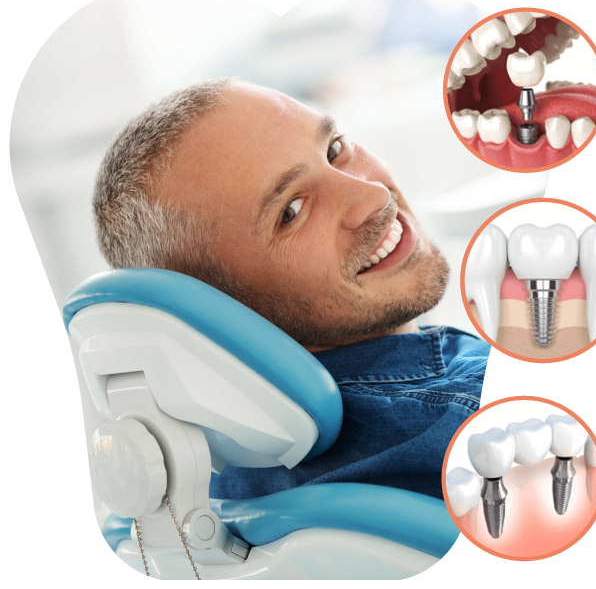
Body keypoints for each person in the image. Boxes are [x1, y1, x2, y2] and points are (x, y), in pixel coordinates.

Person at [93, 77, 486, 500]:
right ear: (221, 311)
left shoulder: (207, 481)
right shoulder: (477, 428)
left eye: (334, 149)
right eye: (292, 211)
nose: (371, 194)